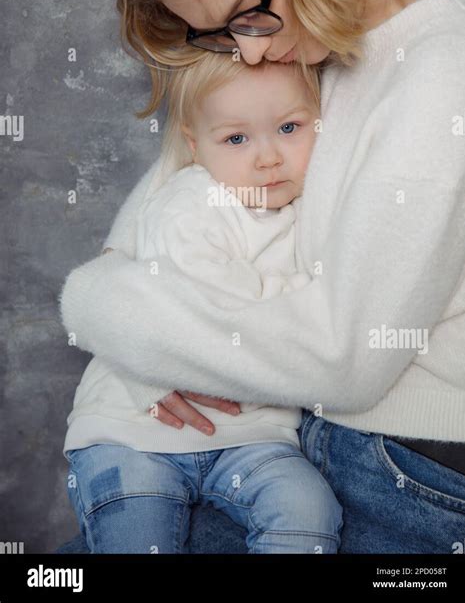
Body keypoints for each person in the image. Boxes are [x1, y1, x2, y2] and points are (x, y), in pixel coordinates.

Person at [60, 0, 465, 553]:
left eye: (245, 19)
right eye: (217, 35)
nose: (245, 55)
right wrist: (156, 333)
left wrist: (103, 306)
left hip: (407, 472)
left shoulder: (443, 79)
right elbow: (194, 162)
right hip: (307, 432)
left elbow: (343, 358)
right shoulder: (325, 25)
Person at [64, 54, 344, 554]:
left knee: (309, 511)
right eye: (236, 139)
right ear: (195, 146)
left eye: (289, 127)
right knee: (137, 536)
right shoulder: (190, 201)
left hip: (256, 434)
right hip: (134, 430)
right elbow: (208, 304)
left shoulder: (311, 206)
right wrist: (303, 293)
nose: (268, 157)